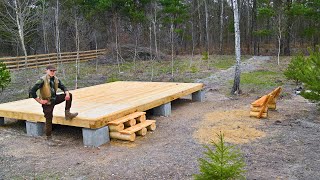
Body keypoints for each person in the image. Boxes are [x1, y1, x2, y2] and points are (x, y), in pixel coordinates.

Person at [29, 65, 78, 138]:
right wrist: (40, 101)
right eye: (51, 70)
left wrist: (67, 93)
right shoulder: (42, 80)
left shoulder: (55, 79)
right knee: (49, 119)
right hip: (47, 102)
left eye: (53, 71)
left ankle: (67, 114)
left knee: (69, 95)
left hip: (54, 99)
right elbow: (32, 91)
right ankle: (48, 137)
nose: (52, 72)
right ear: (46, 71)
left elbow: (63, 87)